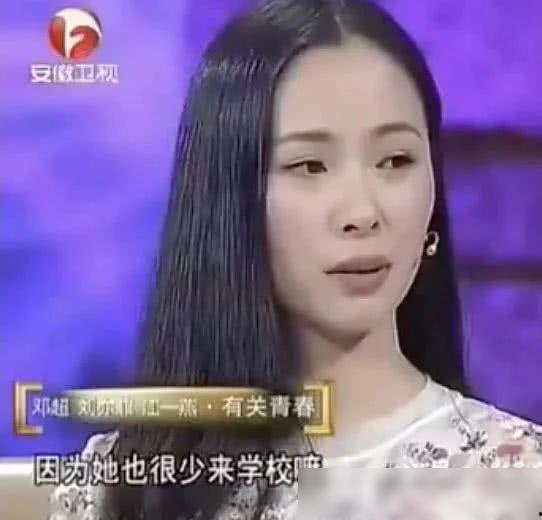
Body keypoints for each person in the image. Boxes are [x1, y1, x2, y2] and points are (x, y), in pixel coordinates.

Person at [49, 0, 542, 518]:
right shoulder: (124, 487)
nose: (362, 213)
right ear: (227, 200)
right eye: (309, 165)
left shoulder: (518, 479)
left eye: (396, 160)